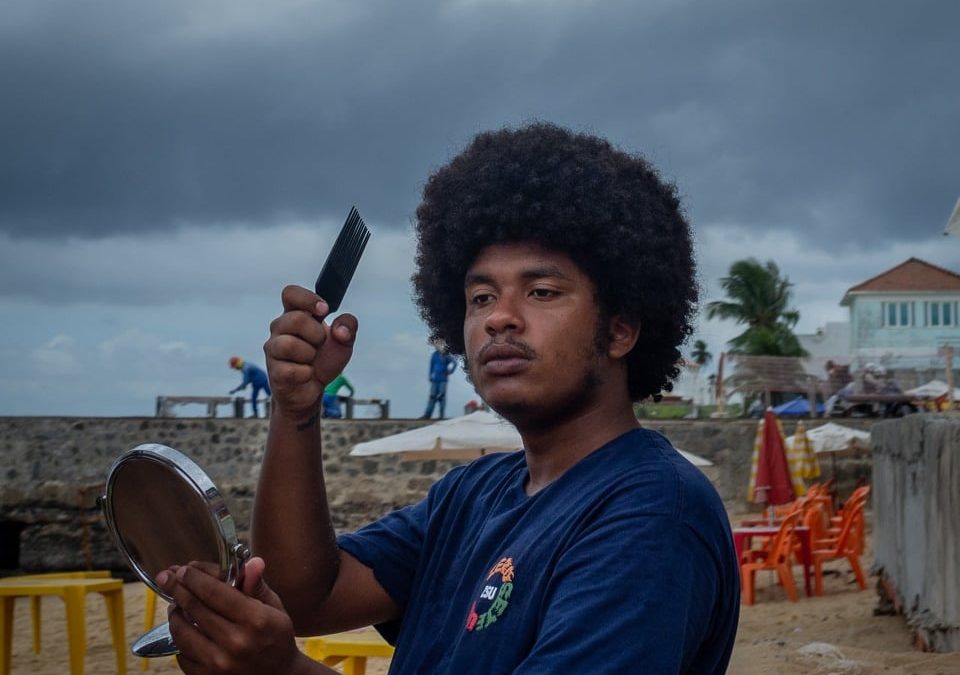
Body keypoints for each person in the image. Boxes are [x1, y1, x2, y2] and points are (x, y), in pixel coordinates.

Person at [159, 122, 740, 674]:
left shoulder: (652, 513)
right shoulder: (472, 495)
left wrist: (283, 673)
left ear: (620, 330)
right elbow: (307, 595)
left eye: (541, 291)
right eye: (481, 298)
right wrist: (297, 410)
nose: (500, 319)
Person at [421, 339, 457, 419]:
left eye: (439, 344)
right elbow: (431, 366)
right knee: (432, 396)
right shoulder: (434, 355)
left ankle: (441, 415)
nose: (437, 346)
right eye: (436, 344)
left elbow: (454, 363)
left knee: (442, 397)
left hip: (443, 379)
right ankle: (427, 415)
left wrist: (450, 371)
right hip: (435, 379)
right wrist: (430, 375)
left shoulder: (446, 355)